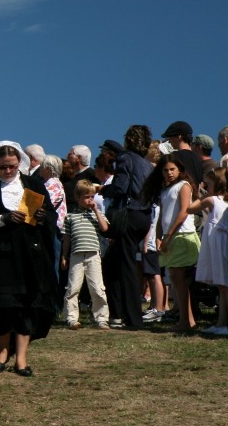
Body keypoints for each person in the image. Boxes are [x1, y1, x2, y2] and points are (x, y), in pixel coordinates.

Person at [0, 142, 57, 377]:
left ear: (20, 164)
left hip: (31, 255)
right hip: (0, 257)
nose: (8, 171)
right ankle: (3, 350)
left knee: (28, 304)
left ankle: (22, 358)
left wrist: (42, 215)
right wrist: (4, 219)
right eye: (3, 167)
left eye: (12, 166)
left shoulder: (34, 185)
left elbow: (51, 214)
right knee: (3, 304)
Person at [99, 125, 154, 329]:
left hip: (129, 214)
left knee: (127, 266)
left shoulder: (126, 158)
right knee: (113, 262)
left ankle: (132, 318)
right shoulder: (147, 164)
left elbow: (121, 187)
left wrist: (105, 190)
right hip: (144, 215)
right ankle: (118, 314)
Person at [143, 154, 200, 333]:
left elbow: (183, 212)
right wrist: (159, 236)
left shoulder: (184, 186)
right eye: (166, 170)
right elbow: (162, 217)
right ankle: (187, 319)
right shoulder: (165, 190)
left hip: (182, 235)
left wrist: (168, 237)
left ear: (180, 170)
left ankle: (186, 320)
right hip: (169, 237)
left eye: (172, 169)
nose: (169, 173)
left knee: (179, 279)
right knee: (176, 280)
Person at [190, 167, 228, 335]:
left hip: (219, 242)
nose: (206, 187)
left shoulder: (212, 200)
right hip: (227, 241)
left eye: (208, 184)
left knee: (226, 285)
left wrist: (201, 194)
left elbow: (191, 208)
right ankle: (222, 322)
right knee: (223, 285)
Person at [61, 180, 110, 330]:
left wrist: (96, 211)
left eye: (92, 196)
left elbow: (105, 228)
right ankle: (71, 317)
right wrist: (64, 256)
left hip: (93, 254)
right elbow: (67, 239)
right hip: (76, 255)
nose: (90, 200)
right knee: (73, 287)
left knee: (97, 287)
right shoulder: (70, 217)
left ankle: (101, 318)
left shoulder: (97, 215)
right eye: (86, 197)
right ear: (77, 197)